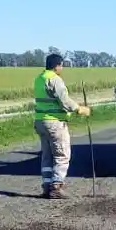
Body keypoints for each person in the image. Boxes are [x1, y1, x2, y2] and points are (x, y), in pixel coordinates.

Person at [34, 53, 91, 198]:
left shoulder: (39, 79)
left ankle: (47, 185)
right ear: (57, 65)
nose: (62, 68)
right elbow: (64, 101)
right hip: (54, 122)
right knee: (62, 154)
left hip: (40, 121)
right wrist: (79, 109)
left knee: (47, 156)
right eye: (61, 65)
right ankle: (56, 186)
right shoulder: (55, 80)